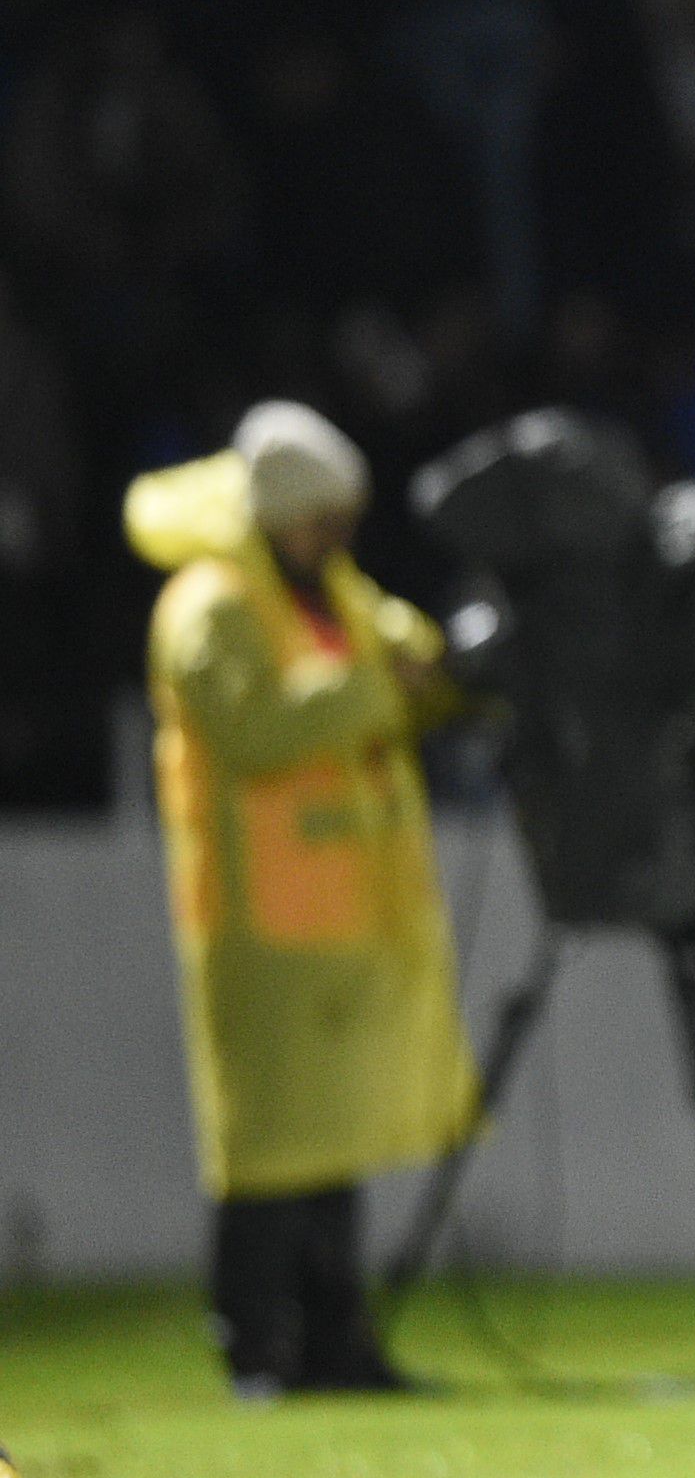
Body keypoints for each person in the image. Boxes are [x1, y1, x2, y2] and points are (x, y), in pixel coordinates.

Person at [128, 400, 477, 1395]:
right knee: (266, 1156)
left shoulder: (324, 591)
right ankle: (256, 1346)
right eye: (325, 518)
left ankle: (336, 1348)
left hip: (344, 913)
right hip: (257, 919)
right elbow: (254, 731)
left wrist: (440, 667)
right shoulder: (210, 606)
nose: (340, 538)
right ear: (283, 514)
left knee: (333, 1145)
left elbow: (396, 655)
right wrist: (381, 679)